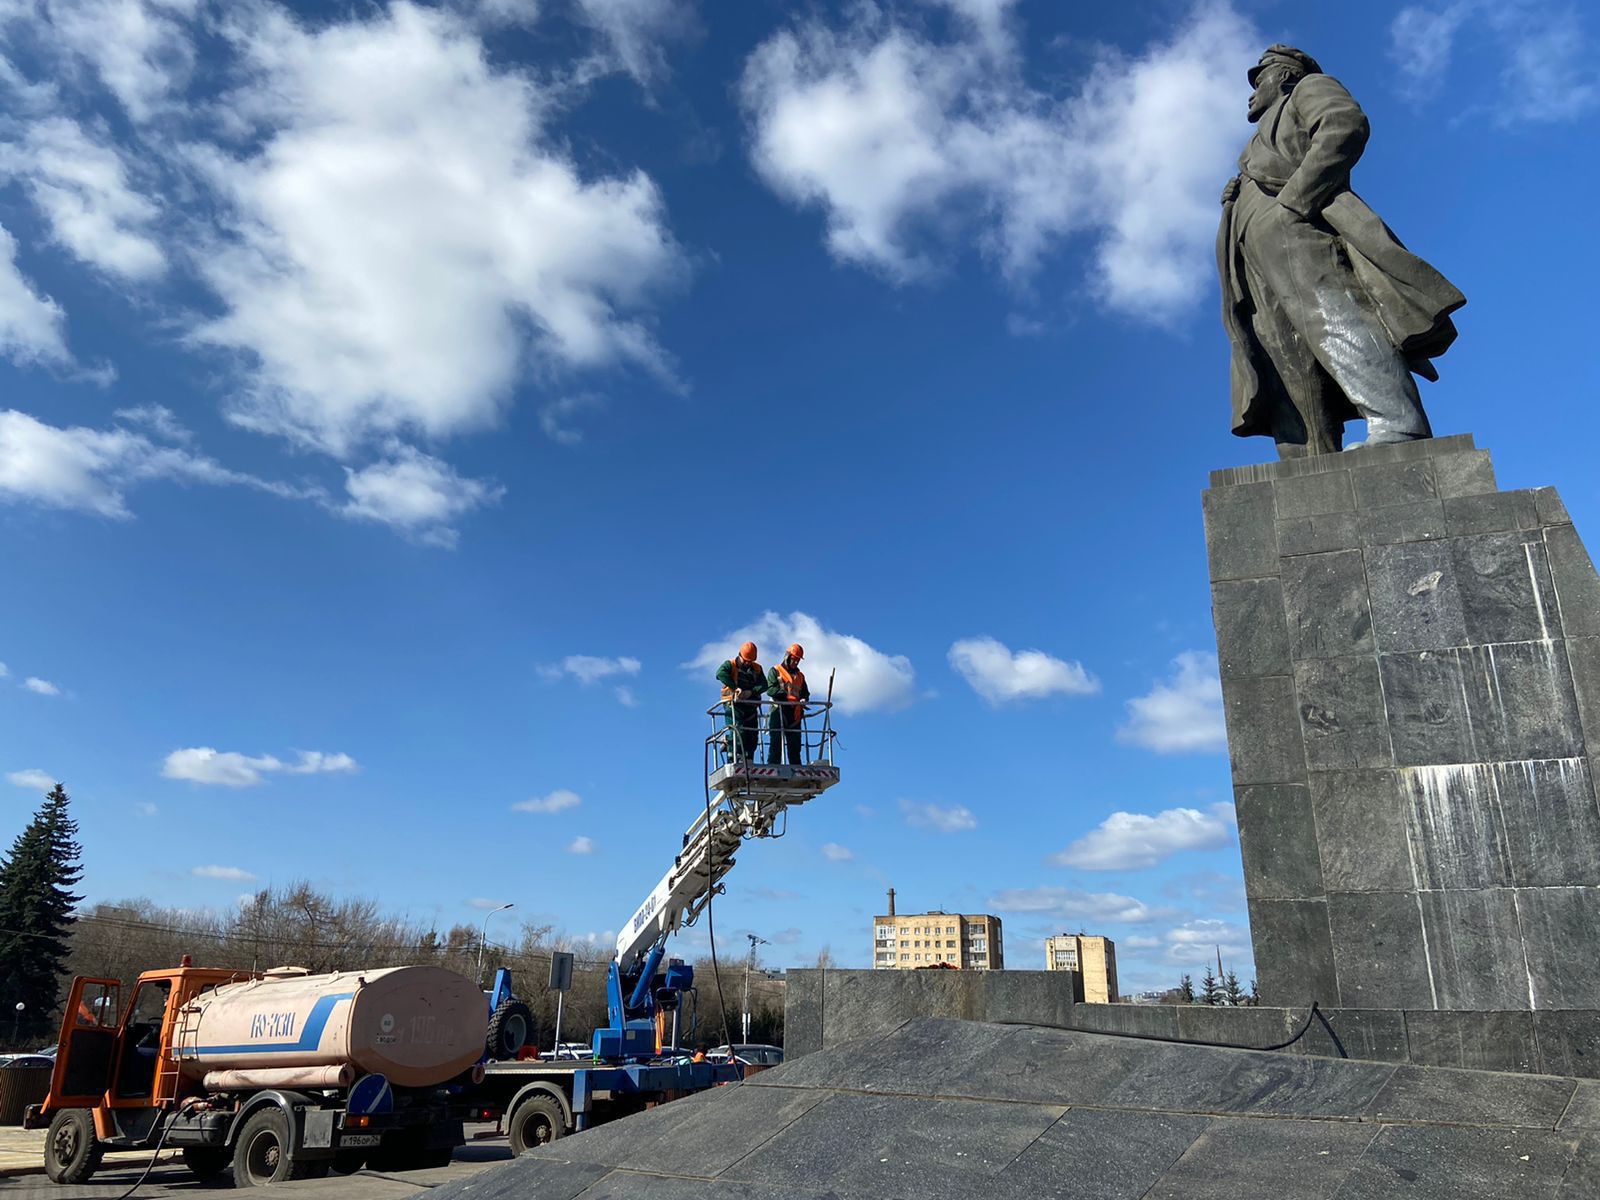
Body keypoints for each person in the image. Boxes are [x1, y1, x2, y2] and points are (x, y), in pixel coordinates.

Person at [1217, 46, 1465, 457]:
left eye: (1258, 78)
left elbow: (1343, 126)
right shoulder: (1256, 142)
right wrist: (1235, 199)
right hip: (1255, 257)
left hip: (1297, 228)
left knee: (1333, 316)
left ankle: (1397, 423)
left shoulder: (1309, 88)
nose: (1251, 90)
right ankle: (1310, 453)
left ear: (1284, 76)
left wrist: (1295, 202)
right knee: (1281, 351)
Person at [716, 642, 766, 763]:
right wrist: (735, 688)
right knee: (738, 730)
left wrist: (751, 692)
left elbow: (764, 684)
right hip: (733, 704)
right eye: (746, 660)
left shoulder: (757, 668)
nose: (748, 663)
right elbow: (719, 674)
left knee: (752, 734)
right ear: (740, 656)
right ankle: (733, 758)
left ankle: (748, 759)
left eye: (751, 661)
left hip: (749, 705)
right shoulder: (730, 665)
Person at [766, 643, 809, 765]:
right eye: (794, 659)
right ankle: (773, 765)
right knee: (776, 742)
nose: (796, 662)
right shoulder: (775, 671)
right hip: (778, 711)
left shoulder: (800, 676)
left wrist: (804, 699)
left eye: (798, 660)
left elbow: (805, 692)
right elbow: (770, 690)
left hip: (795, 714)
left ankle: (796, 766)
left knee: (795, 745)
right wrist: (785, 695)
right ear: (788, 657)